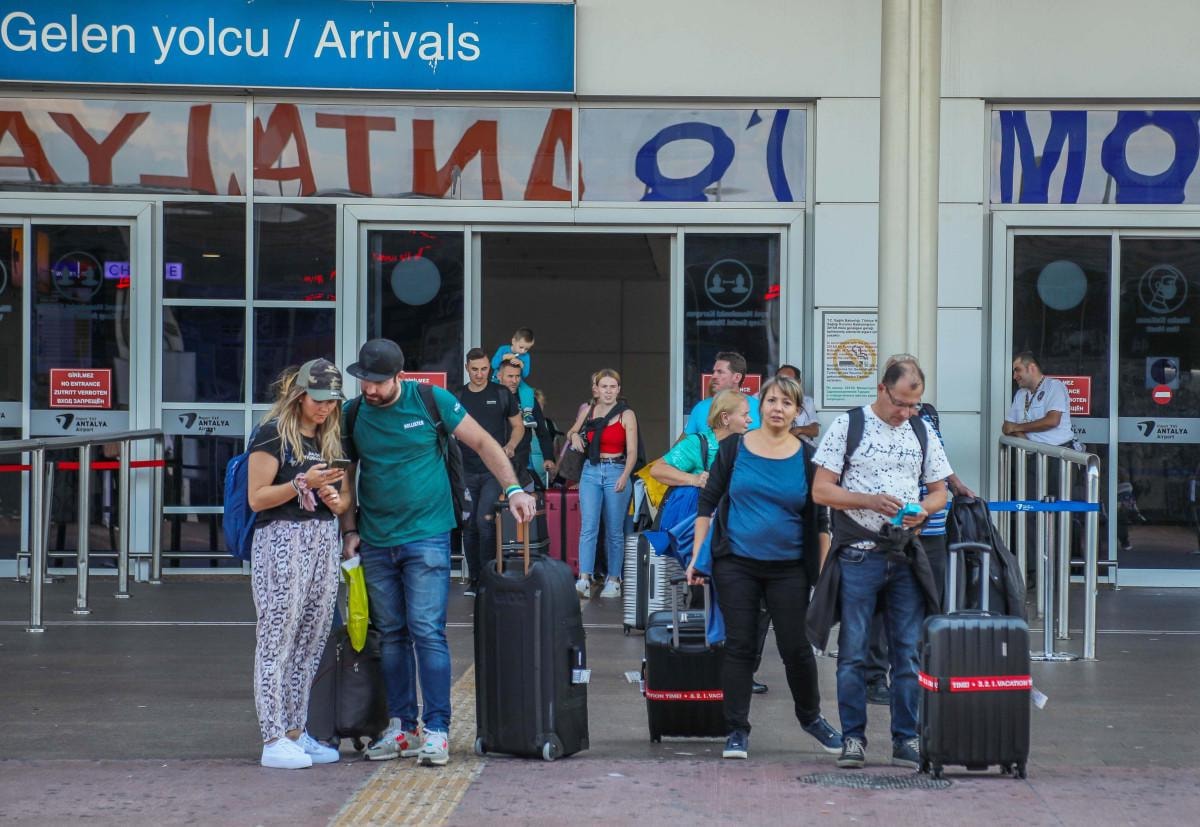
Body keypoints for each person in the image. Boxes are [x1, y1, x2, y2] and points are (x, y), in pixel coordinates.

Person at [339, 339, 536, 767]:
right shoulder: (353, 414)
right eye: (364, 381)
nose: (369, 389)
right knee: (391, 634)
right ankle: (402, 727)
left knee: (427, 630)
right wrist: (350, 529)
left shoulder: (431, 400)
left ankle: (437, 730)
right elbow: (347, 475)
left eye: (377, 382)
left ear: (398, 376)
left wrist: (514, 488)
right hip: (375, 538)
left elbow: (483, 442)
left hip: (427, 535)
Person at [685, 376, 842, 761]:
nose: (777, 408)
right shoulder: (734, 449)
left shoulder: (808, 458)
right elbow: (707, 504)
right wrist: (697, 557)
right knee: (740, 646)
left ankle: (812, 718)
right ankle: (736, 730)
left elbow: (821, 523)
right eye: (771, 400)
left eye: (787, 403)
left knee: (797, 648)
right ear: (760, 406)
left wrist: (823, 576)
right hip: (736, 564)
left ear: (796, 411)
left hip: (789, 569)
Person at [811, 358, 952, 770]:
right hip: (859, 554)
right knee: (853, 652)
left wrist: (923, 509)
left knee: (907, 653)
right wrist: (868, 501)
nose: (905, 412)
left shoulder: (921, 430)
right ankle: (853, 738)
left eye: (914, 405)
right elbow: (821, 490)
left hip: (905, 553)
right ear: (881, 389)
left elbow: (940, 490)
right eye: (900, 403)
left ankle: (905, 738)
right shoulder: (848, 425)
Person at [246, 359, 351, 770]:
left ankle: (295, 730)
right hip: (281, 539)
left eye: (331, 401)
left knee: (311, 639)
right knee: (277, 636)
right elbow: (257, 497)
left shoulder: (330, 437)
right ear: (300, 394)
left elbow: (343, 501)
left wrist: (333, 498)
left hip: (322, 538)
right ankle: (272, 736)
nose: (325, 407)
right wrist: (300, 484)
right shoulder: (273, 433)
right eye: (318, 399)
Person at [860, 354, 977, 707]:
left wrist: (955, 485)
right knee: (883, 605)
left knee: (928, 601)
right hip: (893, 531)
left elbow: (938, 461)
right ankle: (875, 676)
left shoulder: (927, 417)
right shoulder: (869, 423)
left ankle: (919, 672)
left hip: (932, 527)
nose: (908, 407)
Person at [651, 391, 771, 693]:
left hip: (744, 534)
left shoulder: (750, 444)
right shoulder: (699, 443)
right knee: (705, 598)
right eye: (745, 414)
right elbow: (658, 469)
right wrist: (695, 479)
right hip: (708, 538)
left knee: (756, 603)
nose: (751, 419)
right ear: (725, 418)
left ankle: (743, 671)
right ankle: (706, 666)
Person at [455, 348, 524, 597]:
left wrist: (511, 445)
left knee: (484, 522)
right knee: (469, 526)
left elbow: (518, 426)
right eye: (475, 369)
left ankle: (488, 578)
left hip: (493, 470)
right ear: (467, 368)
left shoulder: (501, 393)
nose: (479, 374)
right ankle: (475, 579)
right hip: (465, 470)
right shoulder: (458, 396)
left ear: (489, 369)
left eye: (484, 369)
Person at [565, 368, 639, 599]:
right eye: (604, 386)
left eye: (612, 387)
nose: (608, 391)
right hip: (591, 470)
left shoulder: (626, 414)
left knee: (614, 530)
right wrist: (574, 436)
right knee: (588, 527)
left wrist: (625, 476)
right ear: (596, 389)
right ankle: (584, 578)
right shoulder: (589, 410)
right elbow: (572, 431)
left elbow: (633, 451)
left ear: (619, 389)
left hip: (617, 469)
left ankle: (614, 579)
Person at [495, 359, 555, 488]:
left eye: (517, 376)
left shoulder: (528, 399)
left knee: (521, 498)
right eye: (510, 376)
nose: (514, 380)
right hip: (493, 459)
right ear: (499, 376)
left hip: (521, 460)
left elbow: (542, 432)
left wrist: (548, 457)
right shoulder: (490, 396)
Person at [1002, 352, 1073, 447]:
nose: (1014, 376)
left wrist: (1016, 428)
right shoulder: (1020, 394)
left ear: (1032, 368)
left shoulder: (1054, 386)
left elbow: (1052, 421)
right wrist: (1024, 441)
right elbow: (1007, 426)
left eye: (1018, 370)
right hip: (1031, 452)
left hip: (1057, 451)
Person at [685, 352, 762, 435]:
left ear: (737, 377)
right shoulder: (701, 407)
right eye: (714, 372)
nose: (713, 376)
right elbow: (683, 442)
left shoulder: (759, 408)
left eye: (720, 372)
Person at [776, 364, 819, 442]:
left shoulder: (806, 401)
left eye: (789, 380)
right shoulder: (764, 399)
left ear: (798, 382)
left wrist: (798, 430)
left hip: (802, 446)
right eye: (780, 379)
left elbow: (815, 430)